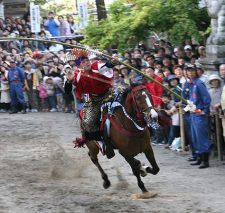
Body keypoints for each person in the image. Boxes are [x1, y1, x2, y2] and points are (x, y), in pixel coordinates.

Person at [64, 49, 116, 158]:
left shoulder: (96, 66)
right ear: (79, 66)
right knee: (87, 122)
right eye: (83, 62)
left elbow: (107, 65)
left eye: (87, 60)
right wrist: (68, 81)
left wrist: (113, 62)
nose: (86, 63)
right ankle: (101, 142)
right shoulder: (77, 75)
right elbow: (68, 90)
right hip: (95, 100)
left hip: (110, 93)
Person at [183, 64, 211, 169]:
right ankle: (199, 158)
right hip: (192, 113)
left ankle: (205, 161)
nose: (190, 73)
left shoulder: (199, 83)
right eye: (188, 71)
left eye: (192, 71)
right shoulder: (189, 83)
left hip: (199, 114)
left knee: (201, 137)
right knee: (195, 137)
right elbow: (186, 97)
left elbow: (206, 98)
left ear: (196, 71)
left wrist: (205, 110)